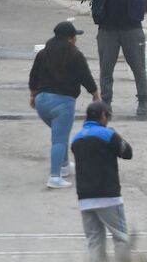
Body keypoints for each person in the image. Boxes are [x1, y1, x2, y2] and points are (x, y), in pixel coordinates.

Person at [29, 21, 100, 189]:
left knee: (61, 133)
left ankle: (65, 166)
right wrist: (95, 94)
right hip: (62, 103)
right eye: (75, 36)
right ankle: (55, 177)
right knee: (59, 141)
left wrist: (33, 95)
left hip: (42, 102)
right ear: (70, 38)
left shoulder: (43, 53)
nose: (76, 39)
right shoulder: (75, 55)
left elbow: (33, 76)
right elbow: (85, 76)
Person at [70, 101, 133, 262]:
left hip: (85, 199)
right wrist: (116, 135)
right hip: (108, 197)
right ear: (103, 116)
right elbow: (127, 153)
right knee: (120, 238)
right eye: (108, 116)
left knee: (95, 240)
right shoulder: (108, 134)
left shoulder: (76, 138)